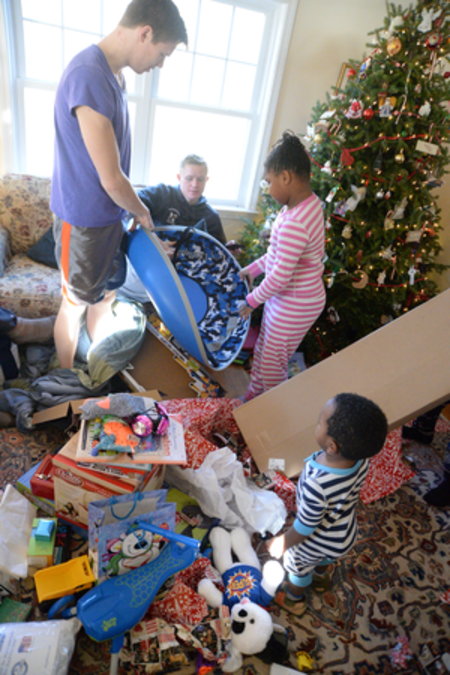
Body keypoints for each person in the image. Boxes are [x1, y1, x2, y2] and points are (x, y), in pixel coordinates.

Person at [50, 0, 187, 369]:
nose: (160, 64)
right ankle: (67, 382)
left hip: (110, 218)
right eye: (162, 54)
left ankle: (95, 364)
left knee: (106, 295)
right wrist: (141, 211)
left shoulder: (115, 76)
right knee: (74, 304)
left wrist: (129, 213)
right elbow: (111, 178)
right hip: (83, 222)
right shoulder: (88, 75)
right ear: (145, 33)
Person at [267, 393, 388, 616]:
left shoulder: (318, 485)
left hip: (316, 540)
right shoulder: (361, 459)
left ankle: (294, 598)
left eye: (320, 422)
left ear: (332, 446)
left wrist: (283, 543)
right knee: (323, 559)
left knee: (297, 566)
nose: (316, 422)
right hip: (344, 533)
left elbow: (306, 526)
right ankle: (321, 578)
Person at [238, 131, 326, 401]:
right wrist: (252, 270)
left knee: (272, 365)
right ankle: (254, 396)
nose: (268, 188)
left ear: (285, 177)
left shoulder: (294, 222)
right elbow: (276, 255)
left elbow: (279, 278)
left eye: (269, 182)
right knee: (264, 351)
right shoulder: (305, 206)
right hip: (290, 298)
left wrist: (251, 301)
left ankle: (274, 409)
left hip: (295, 303)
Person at [119, 154, 226, 304]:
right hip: (142, 269)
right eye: (189, 178)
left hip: (180, 281)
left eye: (200, 179)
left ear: (206, 180)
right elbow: (131, 202)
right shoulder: (162, 194)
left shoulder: (211, 216)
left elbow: (219, 252)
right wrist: (152, 239)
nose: (194, 184)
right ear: (179, 177)